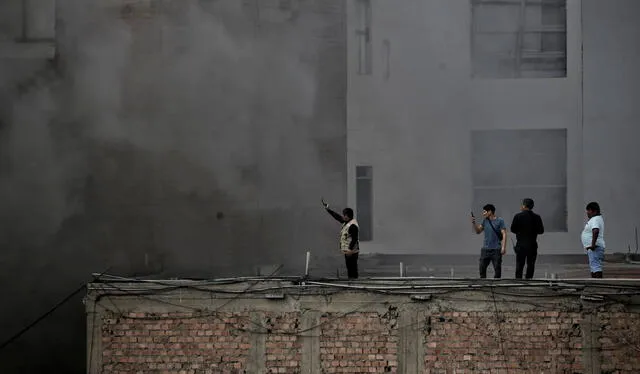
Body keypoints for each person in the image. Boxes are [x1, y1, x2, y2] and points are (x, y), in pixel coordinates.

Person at [322, 198, 360, 279]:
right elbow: (337, 216)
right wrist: (328, 209)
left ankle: (354, 283)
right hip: (348, 251)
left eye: (345, 215)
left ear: (348, 216)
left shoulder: (353, 226)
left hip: (352, 251)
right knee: (349, 268)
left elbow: (354, 238)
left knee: (352, 268)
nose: (343, 216)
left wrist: (350, 249)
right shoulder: (346, 222)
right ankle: (352, 283)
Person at [510, 198, 545, 279]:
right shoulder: (537, 217)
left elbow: (513, 229)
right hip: (532, 245)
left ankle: (518, 281)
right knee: (531, 264)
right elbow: (541, 231)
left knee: (519, 264)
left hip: (521, 245)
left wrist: (520, 232)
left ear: (524, 206)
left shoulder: (518, 216)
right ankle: (529, 280)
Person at [471, 204, 507, 278]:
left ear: (490, 211)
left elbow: (504, 234)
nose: (483, 213)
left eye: (484, 212)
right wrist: (474, 223)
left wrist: (503, 247)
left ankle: (496, 286)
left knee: (497, 270)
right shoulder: (485, 221)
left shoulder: (500, 220)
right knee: (482, 268)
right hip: (485, 249)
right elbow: (478, 231)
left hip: (496, 249)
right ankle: (484, 285)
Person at [581, 201, 605, 278]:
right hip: (594, 247)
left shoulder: (595, 219)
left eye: (589, 210)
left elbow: (595, 230)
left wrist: (593, 244)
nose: (587, 213)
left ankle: (598, 284)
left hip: (595, 247)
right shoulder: (597, 219)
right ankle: (595, 282)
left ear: (594, 211)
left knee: (596, 267)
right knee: (594, 266)